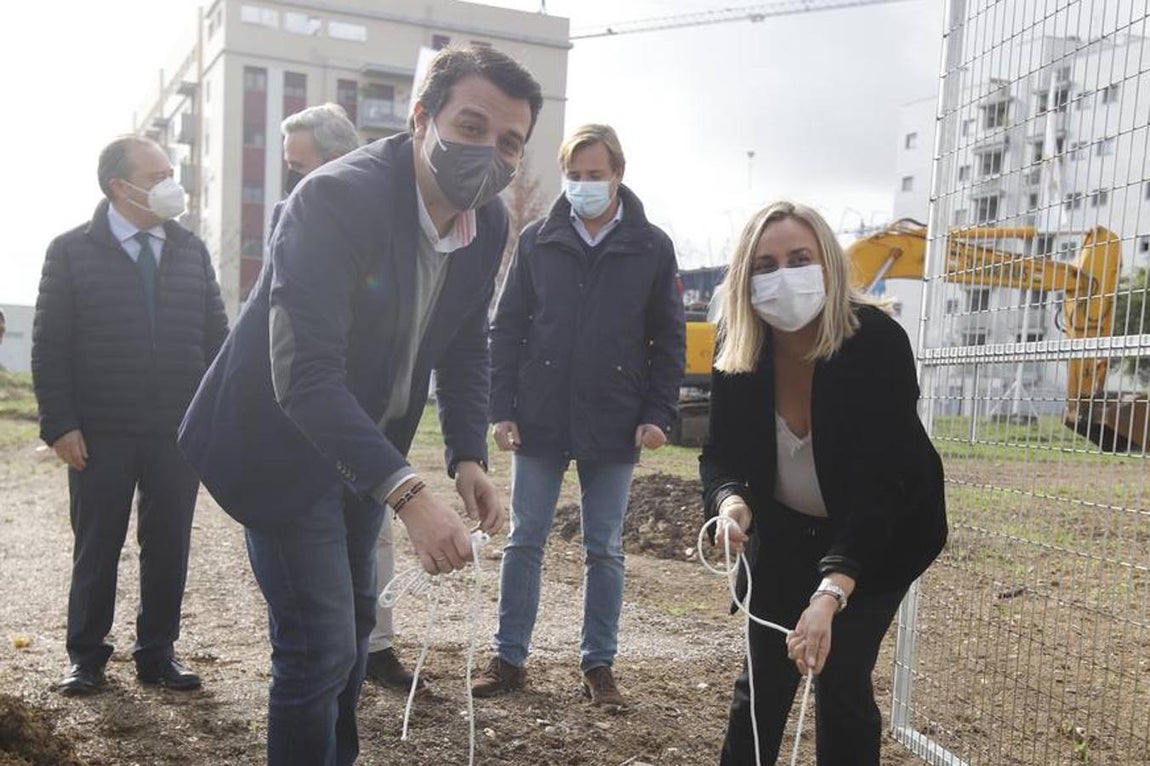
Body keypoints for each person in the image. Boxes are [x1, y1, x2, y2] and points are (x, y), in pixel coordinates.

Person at [177, 44, 541, 766]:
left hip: (358, 453)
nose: (489, 154)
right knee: (318, 648)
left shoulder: (489, 223)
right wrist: (410, 494)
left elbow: (466, 340)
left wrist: (466, 453)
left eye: (509, 143)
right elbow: (305, 378)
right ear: (419, 119)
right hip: (280, 443)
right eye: (471, 126)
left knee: (349, 640)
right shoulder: (334, 201)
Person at [700, 200, 948, 765]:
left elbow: (879, 487)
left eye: (798, 258)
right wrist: (730, 500)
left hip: (884, 535)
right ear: (744, 276)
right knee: (762, 678)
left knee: (839, 672)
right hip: (786, 532)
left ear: (828, 266)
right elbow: (723, 452)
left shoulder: (876, 344)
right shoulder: (736, 345)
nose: (782, 275)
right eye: (764, 264)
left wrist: (831, 593)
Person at [473, 124, 685, 707]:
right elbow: (508, 326)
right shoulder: (538, 239)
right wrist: (502, 408)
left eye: (596, 175)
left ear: (618, 173)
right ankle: (509, 658)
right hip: (539, 416)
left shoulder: (651, 246)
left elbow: (667, 338)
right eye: (575, 176)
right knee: (524, 539)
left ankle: (599, 665)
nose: (584, 186)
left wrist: (658, 412)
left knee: (604, 547)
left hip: (616, 419)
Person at [31, 136, 229, 696]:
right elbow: (49, 346)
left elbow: (217, 339)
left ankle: (157, 653)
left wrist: (217, 414)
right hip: (99, 430)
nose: (173, 183)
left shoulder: (190, 249)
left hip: (176, 429)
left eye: (173, 171)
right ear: (121, 186)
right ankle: (86, 656)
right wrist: (60, 424)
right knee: (97, 543)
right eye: (159, 174)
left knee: (169, 543)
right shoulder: (70, 251)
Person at [280, 100, 419, 690]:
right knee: (320, 634)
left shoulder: (378, 218)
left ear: (337, 160)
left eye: (300, 163)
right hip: (303, 434)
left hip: (366, 427)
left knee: (363, 574)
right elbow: (304, 365)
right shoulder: (307, 211)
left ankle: (373, 648)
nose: (294, 177)